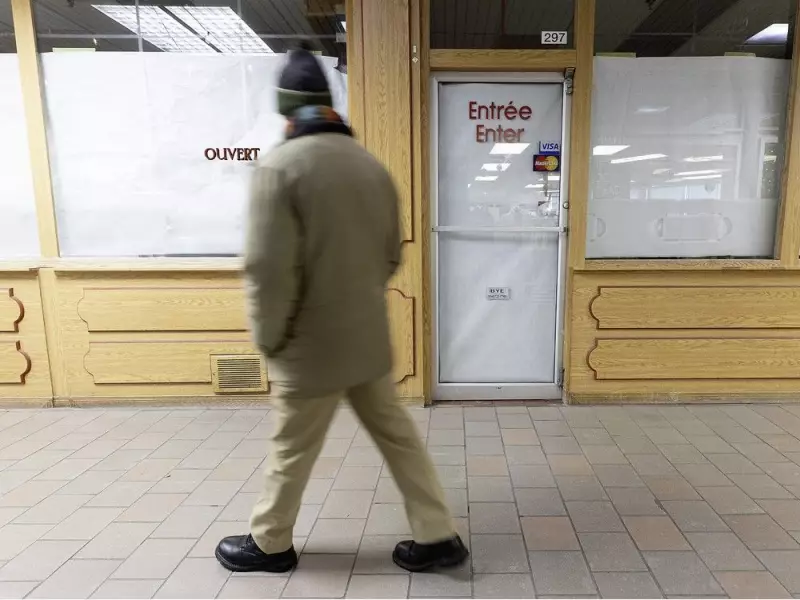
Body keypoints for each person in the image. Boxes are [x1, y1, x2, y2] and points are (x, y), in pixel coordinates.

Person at [215, 45, 468, 574]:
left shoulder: (279, 168)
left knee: (292, 448)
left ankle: (269, 542)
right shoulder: (371, 166)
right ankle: (437, 533)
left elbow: (268, 267)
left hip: (309, 347)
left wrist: (268, 337)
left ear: (286, 108)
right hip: (367, 339)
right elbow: (392, 254)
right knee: (399, 437)